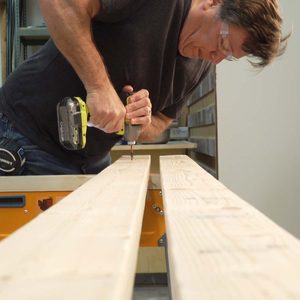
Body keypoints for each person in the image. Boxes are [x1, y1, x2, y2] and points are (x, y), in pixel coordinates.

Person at [0, 0, 288, 175]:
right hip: (26, 136)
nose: (216, 57)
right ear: (213, 2)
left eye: (228, 56)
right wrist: (99, 87)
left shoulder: (202, 64)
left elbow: (161, 121)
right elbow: (60, 4)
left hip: (88, 161)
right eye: (222, 43)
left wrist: (137, 121)